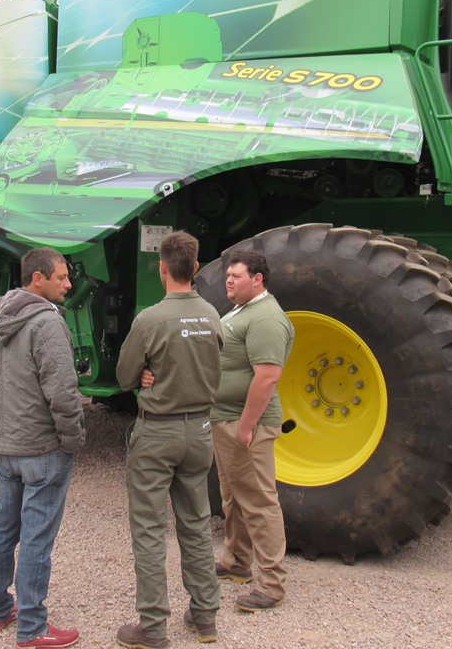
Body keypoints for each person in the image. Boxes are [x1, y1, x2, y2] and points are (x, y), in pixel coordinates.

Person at [114, 232, 223, 649]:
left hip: (157, 432)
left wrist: (146, 376)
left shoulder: (149, 320)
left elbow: (125, 377)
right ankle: (205, 616)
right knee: (196, 524)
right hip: (199, 432)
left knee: (149, 529)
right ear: (195, 267)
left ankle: (153, 627)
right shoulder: (213, 315)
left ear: (162, 268)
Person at [0, 247, 85, 649]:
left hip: (6, 446)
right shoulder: (46, 323)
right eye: (61, 277)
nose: (69, 284)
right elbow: (62, 390)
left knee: (5, 526)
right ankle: (33, 627)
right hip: (42, 447)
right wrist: (73, 439)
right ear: (37, 279)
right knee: (37, 535)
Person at [211, 249, 294, 613]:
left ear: (257, 279)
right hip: (225, 419)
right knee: (233, 498)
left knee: (259, 502)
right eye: (228, 275)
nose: (229, 280)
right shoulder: (242, 310)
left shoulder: (266, 318)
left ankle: (272, 585)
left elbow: (267, 376)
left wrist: (246, 426)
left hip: (244, 425)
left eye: (236, 276)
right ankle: (236, 561)